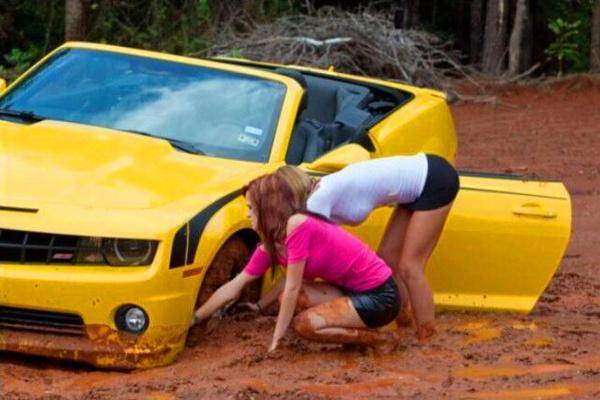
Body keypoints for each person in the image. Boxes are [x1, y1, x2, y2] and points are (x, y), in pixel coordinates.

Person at [191, 172, 401, 352]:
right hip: (347, 290)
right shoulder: (269, 247)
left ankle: (378, 340)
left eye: (251, 208)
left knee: (304, 325)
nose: (247, 214)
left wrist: (276, 341)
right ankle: (356, 328)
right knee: (291, 300)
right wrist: (195, 318)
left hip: (380, 296)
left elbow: (292, 286)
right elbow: (234, 286)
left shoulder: (298, 224)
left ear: (267, 209)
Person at [276, 152, 459, 340]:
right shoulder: (315, 197)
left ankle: (428, 338)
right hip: (416, 187)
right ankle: (404, 323)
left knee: (410, 267)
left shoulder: (316, 202)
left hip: (434, 180)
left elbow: (300, 263)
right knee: (388, 262)